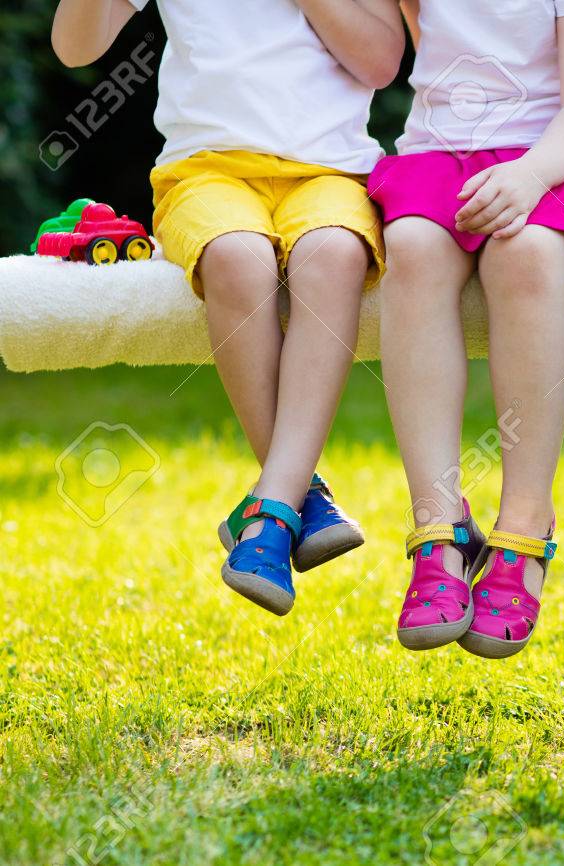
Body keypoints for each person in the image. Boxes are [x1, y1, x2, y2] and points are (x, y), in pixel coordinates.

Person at [51, 0, 405, 616]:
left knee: (333, 253)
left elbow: (380, 62)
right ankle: (294, 495)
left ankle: (272, 508)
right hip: (204, 172)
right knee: (237, 256)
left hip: (332, 172)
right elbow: (74, 48)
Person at [369, 0, 564, 657]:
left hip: (555, 158)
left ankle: (525, 528)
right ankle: (439, 525)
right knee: (412, 250)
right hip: (439, 159)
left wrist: (530, 174)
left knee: (526, 255)